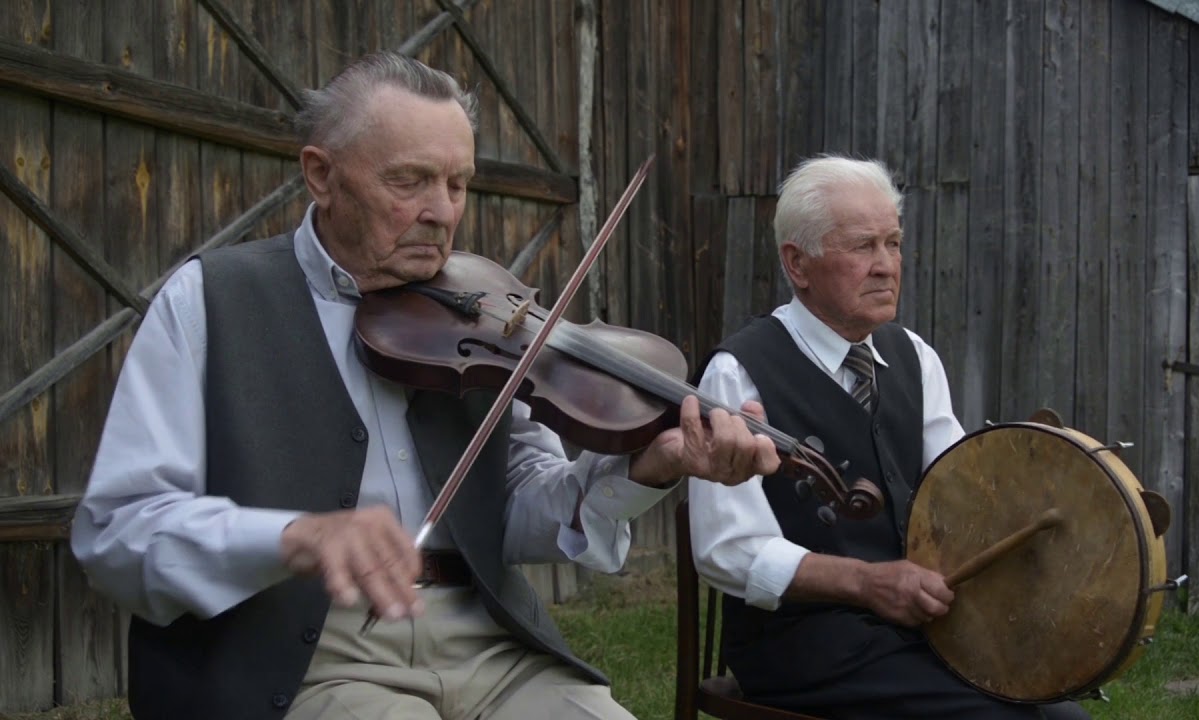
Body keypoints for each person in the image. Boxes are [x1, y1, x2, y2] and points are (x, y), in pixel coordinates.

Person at [70, 52, 779, 720]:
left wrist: (639, 470)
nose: (441, 211)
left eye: (458, 183)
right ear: (321, 175)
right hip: (307, 649)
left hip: (488, 644)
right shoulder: (211, 301)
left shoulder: (482, 310)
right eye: (408, 182)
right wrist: (291, 536)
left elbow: (523, 507)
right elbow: (119, 532)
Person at [686, 156, 1091, 720]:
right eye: (862, 247)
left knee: (1063, 715)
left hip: (918, 628)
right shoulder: (740, 372)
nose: (886, 266)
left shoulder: (913, 357)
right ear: (797, 264)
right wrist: (869, 584)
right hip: (802, 647)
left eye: (893, 243)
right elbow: (727, 551)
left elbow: (957, 493)